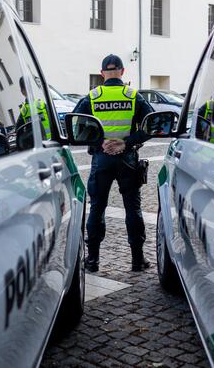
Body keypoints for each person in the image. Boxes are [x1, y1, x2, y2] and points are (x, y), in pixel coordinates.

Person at [73, 54, 154, 272]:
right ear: (122, 72)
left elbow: (78, 129)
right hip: (127, 160)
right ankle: (138, 260)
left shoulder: (92, 96)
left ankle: (92, 260)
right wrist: (126, 143)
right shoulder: (133, 96)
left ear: (102, 74)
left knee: (97, 208)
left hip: (101, 160)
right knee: (133, 208)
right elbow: (152, 124)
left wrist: (101, 143)